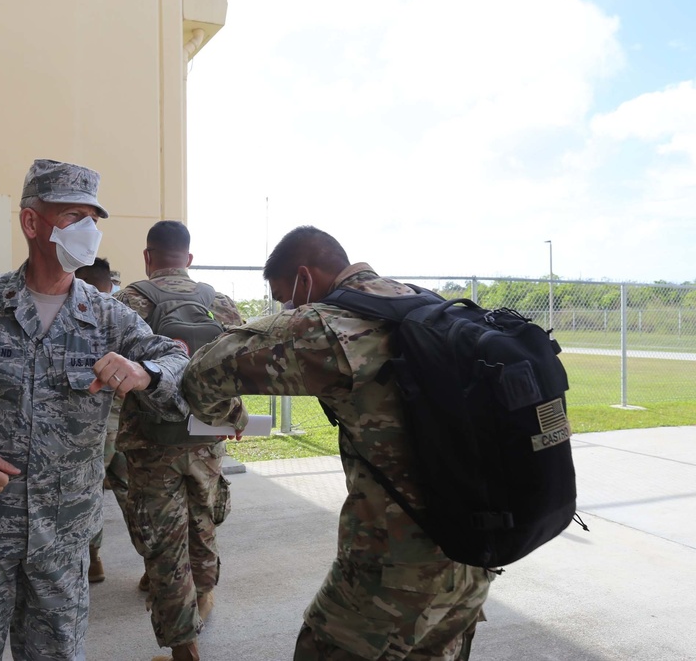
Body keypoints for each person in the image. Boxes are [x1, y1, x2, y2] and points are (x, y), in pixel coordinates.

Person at [0, 159, 191, 661]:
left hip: (61, 542)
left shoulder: (107, 316)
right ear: (32, 222)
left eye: (94, 219)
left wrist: (146, 373)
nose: (88, 231)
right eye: (74, 216)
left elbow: (177, 360)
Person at [181, 226, 491, 661]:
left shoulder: (329, 326)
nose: (287, 308)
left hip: (394, 568)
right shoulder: (428, 306)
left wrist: (231, 418)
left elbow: (200, 375)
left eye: (285, 297)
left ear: (304, 279)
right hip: (476, 551)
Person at [114, 221, 243, 661]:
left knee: (165, 543)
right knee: (202, 520)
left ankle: (184, 647)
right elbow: (238, 367)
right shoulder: (220, 302)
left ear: (148, 257)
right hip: (207, 440)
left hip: (152, 444)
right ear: (188, 259)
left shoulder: (128, 301)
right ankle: (204, 596)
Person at [75, 257, 129, 584]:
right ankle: (156, 568)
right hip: (129, 423)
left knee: (88, 492)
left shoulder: (76, 315)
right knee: (135, 494)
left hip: (90, 427)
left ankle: (92, 559)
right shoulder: (127, 315)